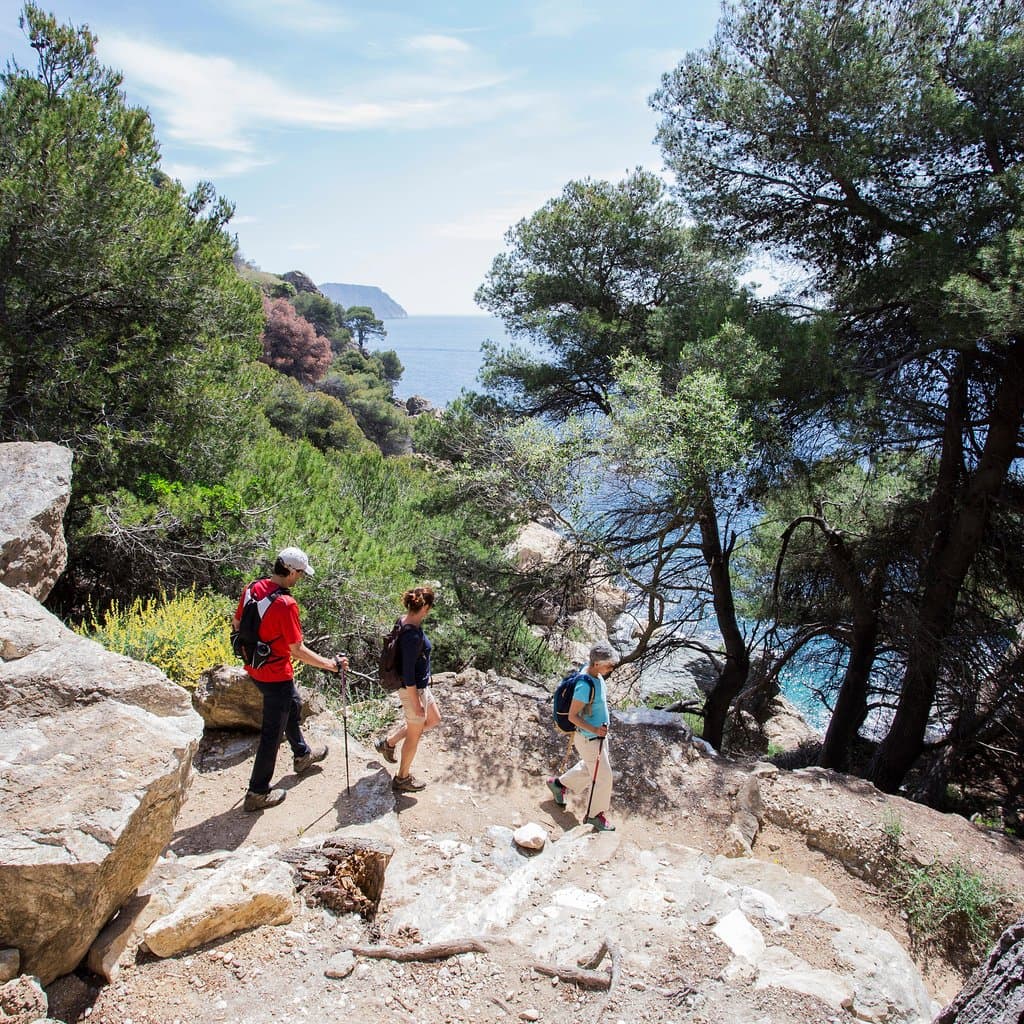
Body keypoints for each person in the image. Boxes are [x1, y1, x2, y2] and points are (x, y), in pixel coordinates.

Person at [233, 546, 348, 812]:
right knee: (272, 734)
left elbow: (237, 623)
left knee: (293, 704)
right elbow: (297, 650)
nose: (301, 579)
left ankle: (302, 755)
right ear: (291, 571)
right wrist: (331, 665)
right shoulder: (286, 604)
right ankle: (257, 792)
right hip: (275, 674)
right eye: (301, 574)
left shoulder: (254, 588)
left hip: (254, 667)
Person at [546, 641, 620, 831]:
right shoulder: (584, 685)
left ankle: (558, 785)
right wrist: (595, 730)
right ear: (597, 664)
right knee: (604, 777)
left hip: (597, 737)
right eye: (609, 664)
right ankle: (595, 815)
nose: (612, 668)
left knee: (590, 769)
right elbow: (573, 716)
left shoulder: (594, 673)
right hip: (590, 739)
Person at [374, 585, 441, 792]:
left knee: (434, 719)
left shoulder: (403, 621)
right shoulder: (412, 636)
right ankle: (402, 778)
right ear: (426, 607)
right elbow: (408, 674)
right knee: (415, 733)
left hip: (419, 687)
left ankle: (389, 742)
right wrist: (415, 703)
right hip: (413, 690)